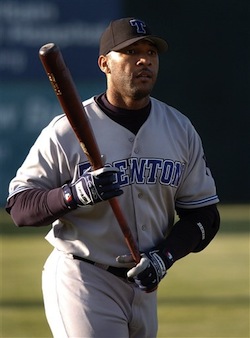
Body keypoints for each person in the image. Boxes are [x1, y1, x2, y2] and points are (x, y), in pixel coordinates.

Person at [6, 17, 220, 338]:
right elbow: (20, 207)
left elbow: (204, 215)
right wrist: (73, 195)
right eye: (131, 51)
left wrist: (165, 257)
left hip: (145, 282)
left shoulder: (178, 128)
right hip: (83, 277)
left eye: (151, 51)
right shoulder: (65, 130)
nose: (145, 59)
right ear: (105, 64)